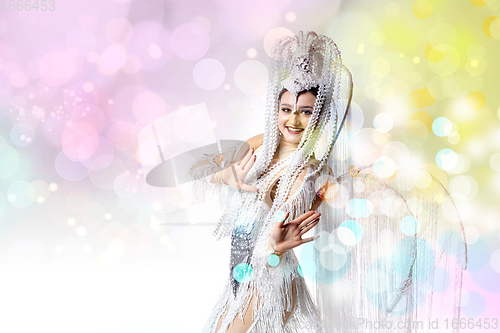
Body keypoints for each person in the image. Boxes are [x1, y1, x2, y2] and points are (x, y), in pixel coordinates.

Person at [189, 31, 467, 333]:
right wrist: (226, 175)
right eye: (286, 110)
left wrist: (278, 246)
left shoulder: (315, 174)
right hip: (242, 273)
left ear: (319, 115)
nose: (293, 121)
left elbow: (314, 218)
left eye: (305, 112)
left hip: (272, 276)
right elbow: (201, 170)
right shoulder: (260, 145)